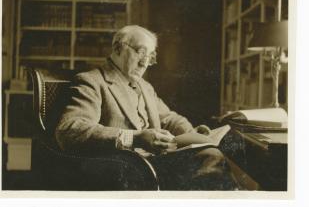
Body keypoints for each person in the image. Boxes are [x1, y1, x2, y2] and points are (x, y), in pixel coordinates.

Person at [56, 25, 238, 190]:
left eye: (150, 56)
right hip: (126, 166)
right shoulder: (92, 81)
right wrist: (135, 138)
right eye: (140, 52)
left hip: (154, 161)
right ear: (118, 48)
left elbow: (168, 118)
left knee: (212, 154)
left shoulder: (144, 86)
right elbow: (70, 130)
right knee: (211, 159)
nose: (145, 63)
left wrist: (193, 134)